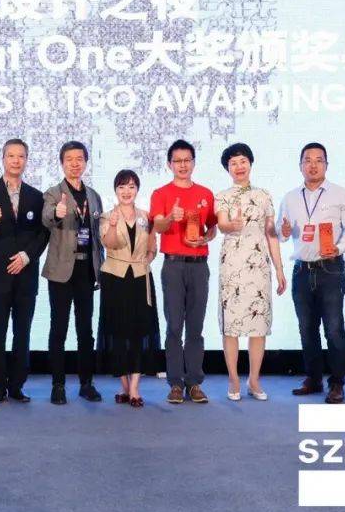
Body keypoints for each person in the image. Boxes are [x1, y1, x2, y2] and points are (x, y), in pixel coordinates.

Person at [278, 142, 345, 404]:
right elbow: (281, 232)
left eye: (318, 160)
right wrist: (283, 232)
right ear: (300, 165)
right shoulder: (290, 197)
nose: (313, 165)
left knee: (334, 329)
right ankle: (313, 378)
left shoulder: (342, 194)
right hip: (302, 269)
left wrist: (339, 247)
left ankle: (337, 383)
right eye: (307, 160)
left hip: (330, 268)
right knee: (306, 329)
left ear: (326, 164)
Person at [0, 139, 49, 404]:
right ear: (3, 158)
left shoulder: (37, 196)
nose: (16, 161)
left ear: (26, 160)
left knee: (22, 332)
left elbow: (43, 234)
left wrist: (27, 256)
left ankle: (17, 386)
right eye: (11, 156)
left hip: (26, 275)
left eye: (21, 156)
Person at [214, 143, 286, 401]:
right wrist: (230, 225)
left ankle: (254, 380)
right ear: (228, 169)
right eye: (233, 163)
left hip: (259, 267)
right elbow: (222, 224)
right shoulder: (223, 196)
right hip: (232, 266)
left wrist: (279, 269)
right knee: (231, 326)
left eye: (243, 161)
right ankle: (233, 378)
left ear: (250, 163)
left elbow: (271, 234)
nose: (239, 167)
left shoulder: (264, 195)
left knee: (258, 325)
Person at [150, 139, 217, 404]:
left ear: (194, 163)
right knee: (174, 326)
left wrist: (206, 238)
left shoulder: (205, 193)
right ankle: (176, 383)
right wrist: (170, 218)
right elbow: (157, 226)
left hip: (199, 265)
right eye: (177, 161)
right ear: (169, 164)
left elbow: (212, 227)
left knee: (196, 327)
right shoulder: (161, 194)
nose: (182, 165)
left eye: (187, 160)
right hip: (173, 266)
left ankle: (195, 383)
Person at [41, 141, 105, 405]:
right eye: (69, 159)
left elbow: (97, 235)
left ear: (86, 163)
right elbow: (46, 217)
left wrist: (101, 268)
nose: (75, 163)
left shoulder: (94, 196)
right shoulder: (53, 193)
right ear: (62, 163)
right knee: (58, 329)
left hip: (86, 269)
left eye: (79, 159)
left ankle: (86, 383)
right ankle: (58, 385)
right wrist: (57, 213)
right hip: (60, 270)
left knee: (85, 330)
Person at [97, 170, 161, 408]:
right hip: (115, 277)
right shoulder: (106, 216)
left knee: (138, 331)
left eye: (131, 186)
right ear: (115, 190)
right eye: (122, 187)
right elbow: (109, 243)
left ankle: (134, 388)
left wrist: (148, 258)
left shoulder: (146, 217)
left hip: (140, 278)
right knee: (117, 331)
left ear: (137, 190)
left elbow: (152, 247)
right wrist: (113, 226)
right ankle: (124, 385)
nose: (127, 191)